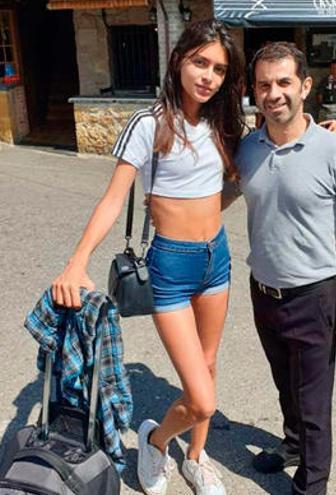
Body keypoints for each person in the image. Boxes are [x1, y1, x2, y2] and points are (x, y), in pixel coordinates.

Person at [51, 20, 244, 495]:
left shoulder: (223, 123)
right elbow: (113, 199)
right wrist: (77, 262)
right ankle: (156, 441)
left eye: (219, 69)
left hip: (216, 258)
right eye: (201, 63)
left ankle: (195, 459)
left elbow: (237, 181)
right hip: (171, 268)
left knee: (210, 363)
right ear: (179, 59)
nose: (209, 76)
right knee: (201, 398)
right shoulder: (150, 123)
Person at [222, 42, 336, 495]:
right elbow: (219, 202)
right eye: (264, 84)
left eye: (284, 82)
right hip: (263, 289)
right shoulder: (248, 150)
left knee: (313, 401)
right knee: (284, 384)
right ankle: (292, 446)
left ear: (305, 87)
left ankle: (312, 484)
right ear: (255, 90)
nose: (275, 94)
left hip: (313, 295)